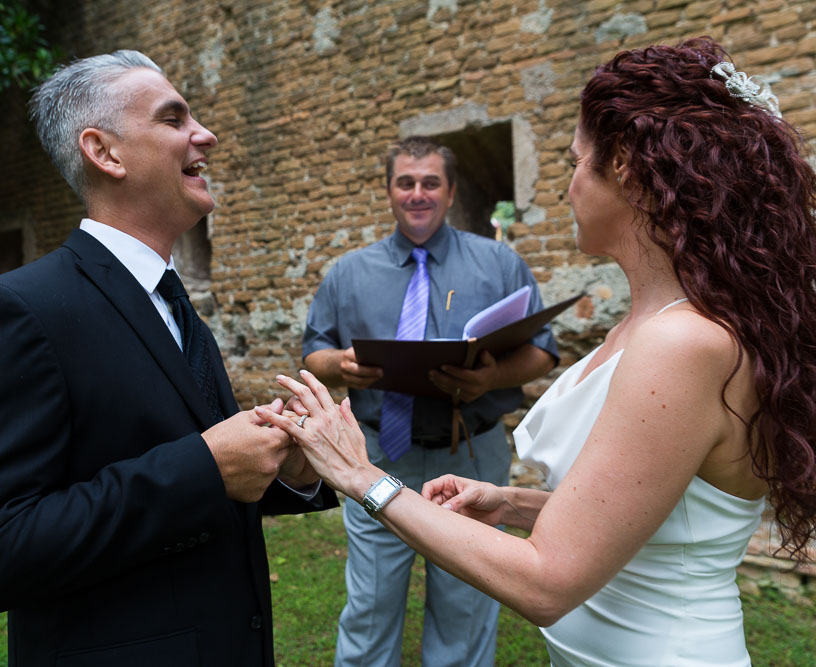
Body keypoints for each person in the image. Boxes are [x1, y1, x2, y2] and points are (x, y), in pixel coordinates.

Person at [263, 37, 816, 666]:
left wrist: (359, 476)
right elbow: (645, 509)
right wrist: (515, 503)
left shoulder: (681, 339)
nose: (568, 183)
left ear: (627, 171)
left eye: (575, 162)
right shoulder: (656, 322)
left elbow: (546, 582)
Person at [0, 50, 336, 667]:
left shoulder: (172, 303)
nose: (206, 135)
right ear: (106, 152)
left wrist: (288, 473)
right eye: (174, 120)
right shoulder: (13, 312)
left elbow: (169, 464)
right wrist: (204, 466)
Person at [302, 136, 558, 666]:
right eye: (405, 182)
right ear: (390, 191)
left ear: (450, 191)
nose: (417, 193)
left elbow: (542, 354)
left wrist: (491, 379)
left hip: (469, 456)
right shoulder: (349, 272)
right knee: (371, 603)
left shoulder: (498, 263)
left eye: (430, 183)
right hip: (377, 456)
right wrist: (341, 365)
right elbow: (314, 353)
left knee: (465, 603)